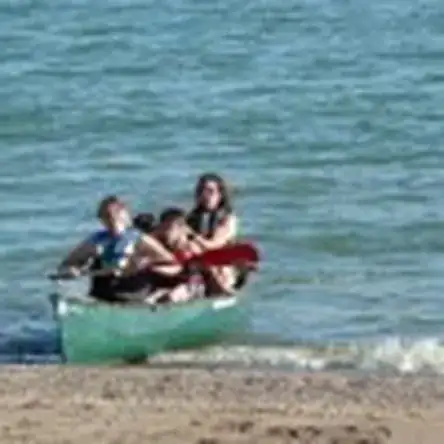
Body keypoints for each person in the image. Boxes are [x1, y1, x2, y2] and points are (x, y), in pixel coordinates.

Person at [56, 195, 184, 303]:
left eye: (114, 215)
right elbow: (66, 265)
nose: (111, 220)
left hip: (132, 295)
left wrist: (148, 264)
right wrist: (72, 270)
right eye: (105, 217)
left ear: (123, 215)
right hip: (102, 294)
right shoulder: (95, 241)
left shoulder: (140, 239)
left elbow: (174, 264)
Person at [185, 173, 248, 296]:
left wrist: (191, 235)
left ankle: (225, 292)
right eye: (201, 191)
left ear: (220, 195)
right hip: (198, 262)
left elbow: (213, 245)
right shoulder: (192, 218)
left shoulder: (228, 219)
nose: (205, 195)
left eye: (210, 191)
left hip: (223, 266)